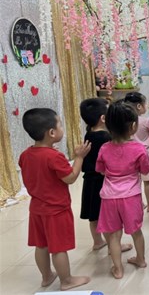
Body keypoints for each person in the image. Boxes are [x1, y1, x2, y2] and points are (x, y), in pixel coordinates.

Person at [19, 108, 91, 291]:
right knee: (58, 248)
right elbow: (70, 178)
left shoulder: (25, 154)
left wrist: (50, 153)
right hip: (56, 209)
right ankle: (66, 280)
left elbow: (38, 167)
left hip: (36, 208)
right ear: (51, 133)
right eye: (60, 124)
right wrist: (79, 157)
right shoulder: (54, 156)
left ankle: (46, 277)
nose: (62, 127)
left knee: (41, 245)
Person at [96, 100, 149, 279]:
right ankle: (141, 260)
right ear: (133, 126)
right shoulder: (138, 148)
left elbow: (100, 170)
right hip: (131, 197)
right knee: (136, 231)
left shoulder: (104, 148)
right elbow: (145, 170)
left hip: (109, 197)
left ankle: (118, 269)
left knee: (113, 235)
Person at [79, 98, 133, 253]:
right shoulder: (106, 138)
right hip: (102, 180)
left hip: (88, 181)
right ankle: (113, 245)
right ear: (103, 118)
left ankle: (97, 242)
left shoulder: (88, 134)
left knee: (93, 214)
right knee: (106, 216)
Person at [124, 92, 149, 213]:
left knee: (136, 181)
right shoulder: (145, 121)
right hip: (146, 155)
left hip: (131, 155)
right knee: (147, 181)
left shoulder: (125, 121)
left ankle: (140, 203)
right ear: (139, 106)